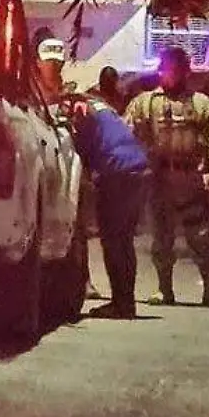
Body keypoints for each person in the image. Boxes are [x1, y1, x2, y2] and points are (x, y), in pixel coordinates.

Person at [124, 46, 209, 308]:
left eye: (177, 68)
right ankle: (164, 289)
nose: (171, 73)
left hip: (191, 178)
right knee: (162, 239)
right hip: (159, 178)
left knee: (200, 238)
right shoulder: (146, 102)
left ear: (186, 71)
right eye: (167, 68)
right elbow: (125, 133)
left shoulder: (200, 103)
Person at [66, 93, 151, 318]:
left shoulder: (82, 111)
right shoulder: (104, 108)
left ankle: (121, 304)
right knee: (124, 241)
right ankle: (126, 302)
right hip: (137, 168)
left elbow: (80, 151)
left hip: (117, 171)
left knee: (113, 240)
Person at [35, 35, 105, 300]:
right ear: (38, 63)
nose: (53, 67)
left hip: (69, 166)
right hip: (43, 165)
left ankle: (82, 280)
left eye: (57, 63)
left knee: (77, 229)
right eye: (48, 62)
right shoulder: (31, 93)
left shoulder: (72, 93)